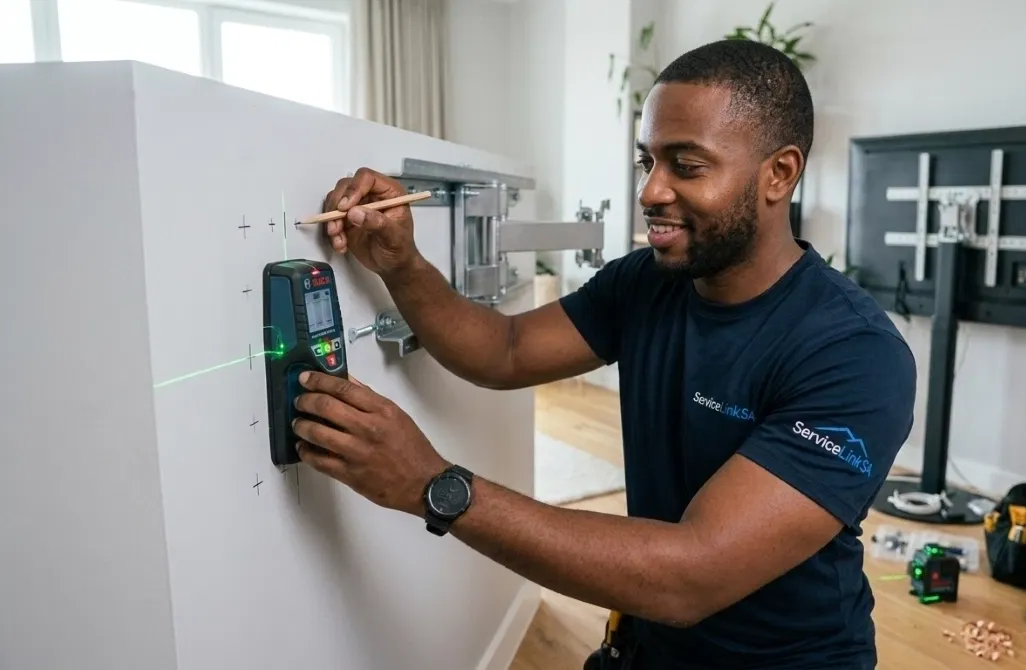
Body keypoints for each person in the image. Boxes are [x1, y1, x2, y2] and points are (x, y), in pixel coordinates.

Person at [291, 38, 917, 669]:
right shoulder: (646, 281)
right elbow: (505, 351)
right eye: (647, 161)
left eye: (687, 166)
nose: (651, 191)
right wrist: (401, 263)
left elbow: (691, 575)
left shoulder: (854, 355)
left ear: (779, 173)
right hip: (647, 644)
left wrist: (430, 484)